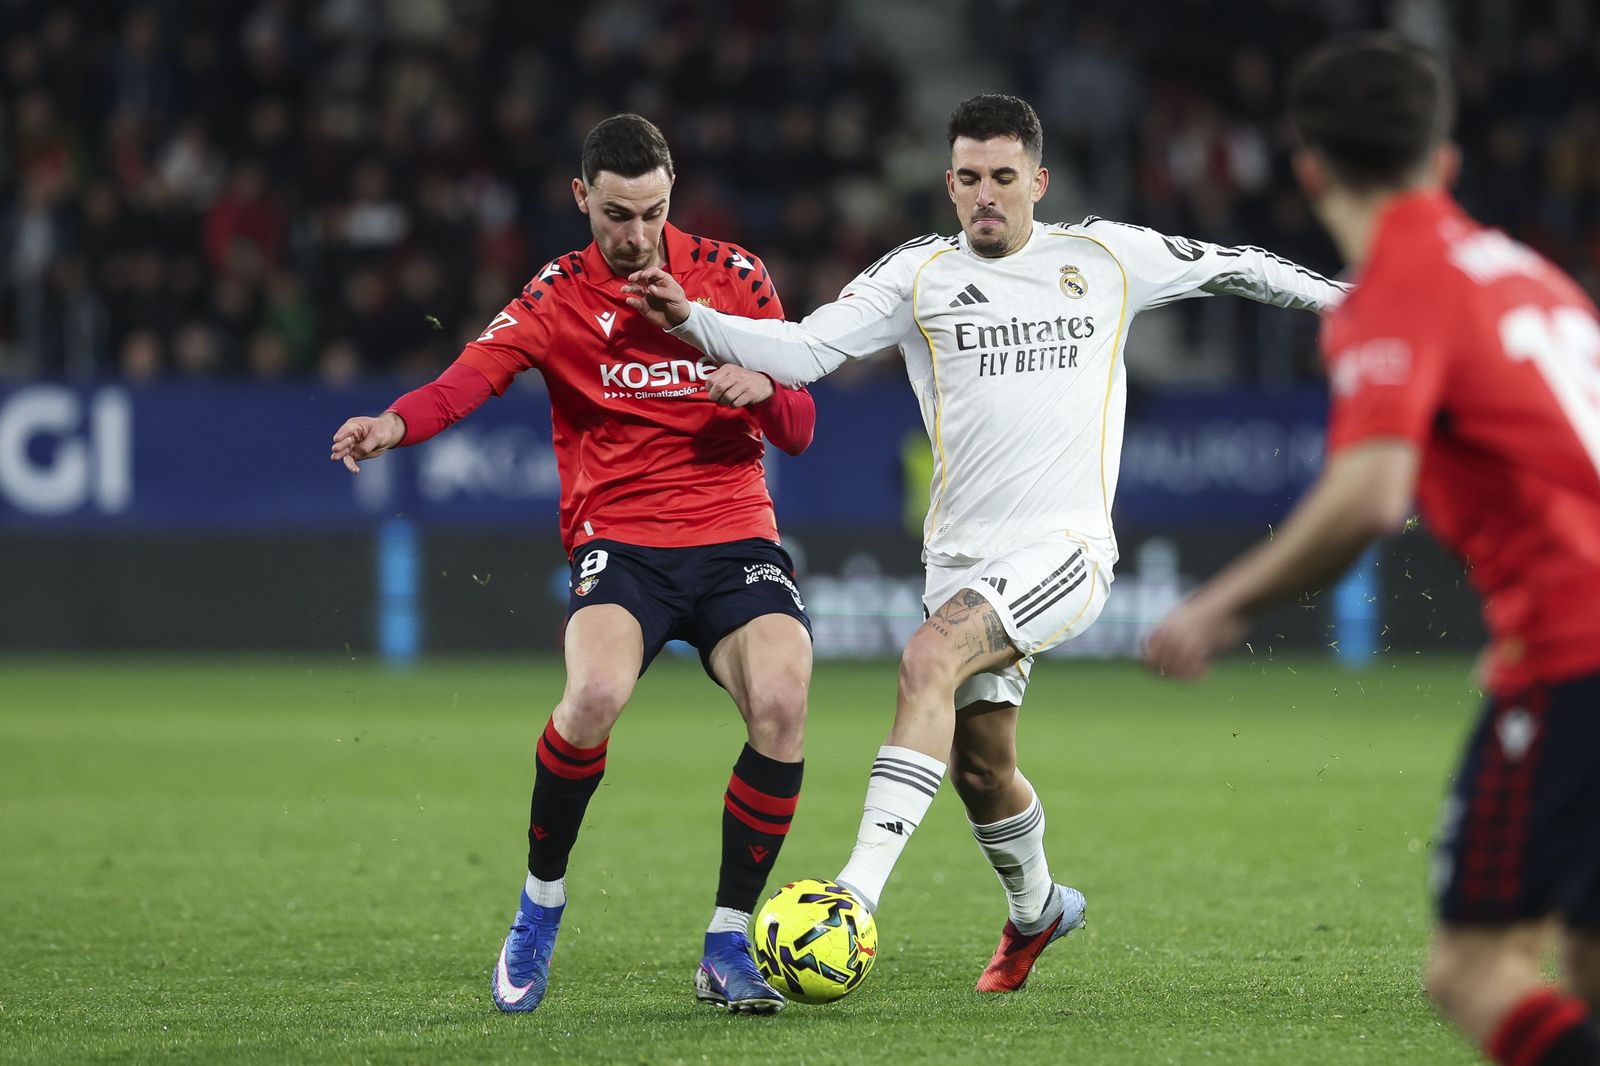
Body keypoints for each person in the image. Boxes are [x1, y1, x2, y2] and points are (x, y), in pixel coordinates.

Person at [624, 93, 1347, 992]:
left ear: (1038, 181)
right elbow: (803, 350)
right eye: (969, 178)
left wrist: (1355, 304)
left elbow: (1239, 267)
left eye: (1004, 176)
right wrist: (689, 318)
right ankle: (1038, 908)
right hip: (961, 559)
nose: (986, 195)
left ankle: (850, 900)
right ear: (950, 183)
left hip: (1066, 549)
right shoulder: (917, 275)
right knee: (980, 766)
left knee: (927, 658)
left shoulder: (1104, 257)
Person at [1143, 35, 1600, 1066]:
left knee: (1472, 971)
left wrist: (1221, 605)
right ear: (1444, 159)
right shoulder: (1532, 276)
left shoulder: (1397, 283)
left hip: (1575, 652)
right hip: (1576, 640)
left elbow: (1369, 493)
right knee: (1585, 955)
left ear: (1308, 171)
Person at [330, 114, 818, 1015]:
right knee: (591, 697)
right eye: (617, 215)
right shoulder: (556, 295)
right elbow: (467, 379)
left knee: (784, 702)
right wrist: (394, 423)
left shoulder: (735, 276)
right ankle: (539, 907)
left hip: (733, 536)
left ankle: (726, 942)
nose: (636, 236)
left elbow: (799, 426)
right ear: (581, 198)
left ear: (672, 193)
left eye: (653, 213)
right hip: (620, 541)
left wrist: (763, 385)